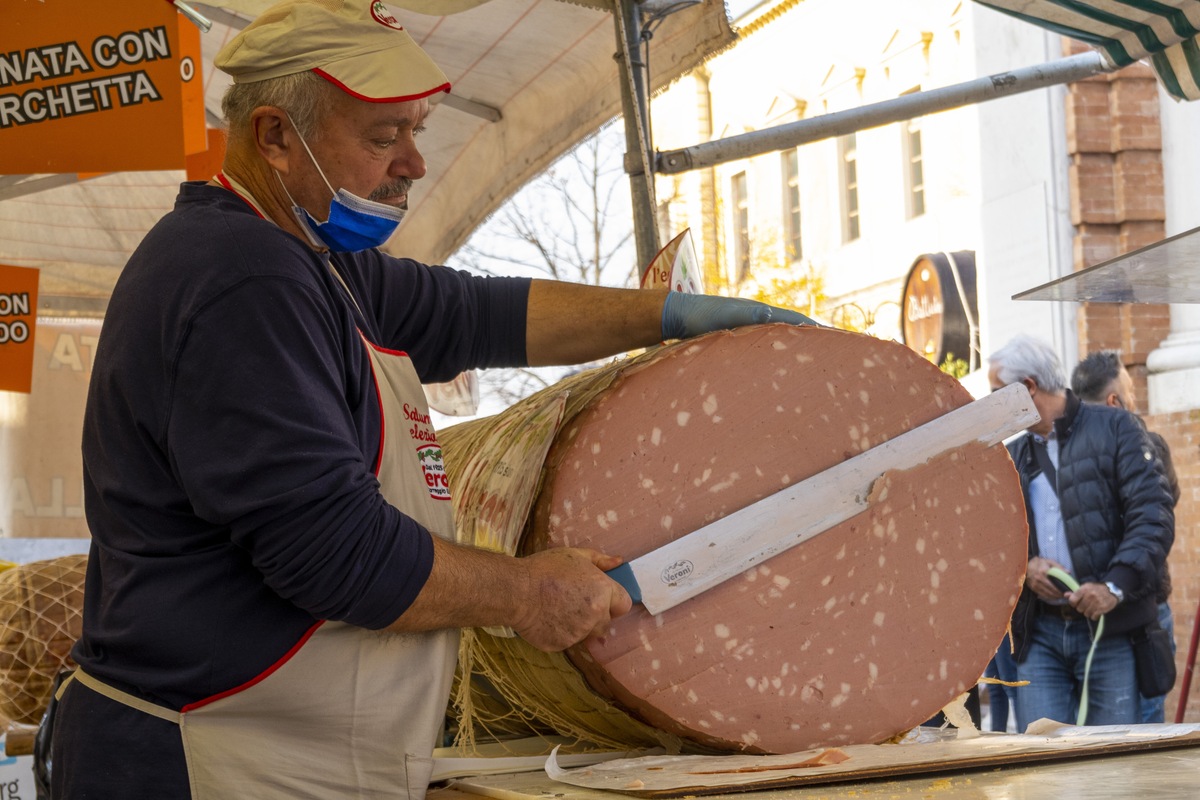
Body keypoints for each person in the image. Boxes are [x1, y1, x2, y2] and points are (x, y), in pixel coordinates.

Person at [47, 2, 815, 798]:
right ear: (274, 136)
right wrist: (530, 593)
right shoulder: (242, 279)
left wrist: (661, 316)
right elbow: (333, 551)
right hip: (204, 760)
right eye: (384, 138)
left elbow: (475, 313)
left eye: (417, 130)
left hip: (281, 754)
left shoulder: (313, 261)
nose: (414, 163)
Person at [988, 334, 1173, 731]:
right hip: (1041, 634)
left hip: (1111, 629)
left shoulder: (1117, 428)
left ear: (1029, 387)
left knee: (1110, 773)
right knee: (1044, 770)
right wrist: (1028, 567)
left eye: (995, 393)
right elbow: (992, 544)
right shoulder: (1012, 454)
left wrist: (1114, 587)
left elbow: (1153, 515)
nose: (989, 404)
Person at [1071, 350, 1180, 723]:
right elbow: (1162, 510)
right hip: (1135, 610)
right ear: (1115, 401)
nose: (1136, 401)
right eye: (1132, 391)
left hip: (1110, 612)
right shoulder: (1145, 442)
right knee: (1142, 736)